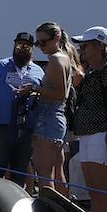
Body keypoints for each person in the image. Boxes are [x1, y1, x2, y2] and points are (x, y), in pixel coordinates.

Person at [69, 27, 107, 212]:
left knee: (103, 191)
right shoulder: (91, 70)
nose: (81, 48)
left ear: (100, 46)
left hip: (101, 134)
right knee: (93, 192)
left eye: (85, 45)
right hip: (87, 134)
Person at [0, 33, 44, 186]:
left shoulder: (38, 71)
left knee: (20, 169)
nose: (21, 49)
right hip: (1, 126)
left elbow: (44, 97)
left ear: (32, 49)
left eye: (26, 46)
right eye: (19, 45)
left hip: (26, 128)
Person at [29, 22, 79, 196]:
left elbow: (59, 94)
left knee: (45, 175)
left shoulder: (56, 59)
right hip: (56, 118)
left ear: (56, 39)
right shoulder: (64, 57)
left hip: (48, 117)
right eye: (38, 43)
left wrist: (34, 88)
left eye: (43, 42)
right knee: (58, 172)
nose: (40, 46)